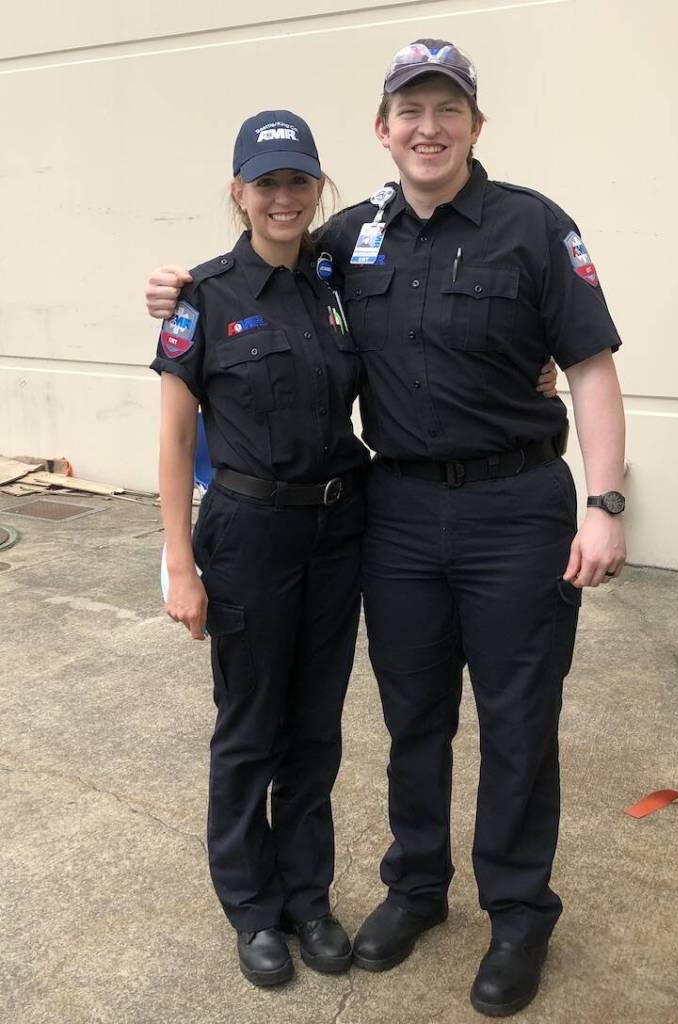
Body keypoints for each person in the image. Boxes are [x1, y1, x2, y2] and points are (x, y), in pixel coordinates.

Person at [146, 39, 625, 1017]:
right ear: (382, 129)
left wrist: (604, 499)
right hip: (395, 513)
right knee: (412, 718)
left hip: (512, 508)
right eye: (411, 109)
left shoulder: (534, 228)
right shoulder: (349, 239)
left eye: (448, 109)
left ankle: (519, 912)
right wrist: (172, 293)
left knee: (517, 721)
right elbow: (253, 273)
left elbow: (590, 365)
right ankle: (415, 890)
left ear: (474, 127)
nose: (429, 127)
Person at [152, 109, 372, 988]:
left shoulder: (339, 287)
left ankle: (307, 898)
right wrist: (180, 564)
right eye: (265, 182)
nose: (283, 197)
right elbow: (172, 442)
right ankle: (252, 911)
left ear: (318, 189)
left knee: (316, 728)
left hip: (337, 530)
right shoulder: (202, 297)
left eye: (298, 180)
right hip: (247, 536)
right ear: (238, 193)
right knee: (250, 729)